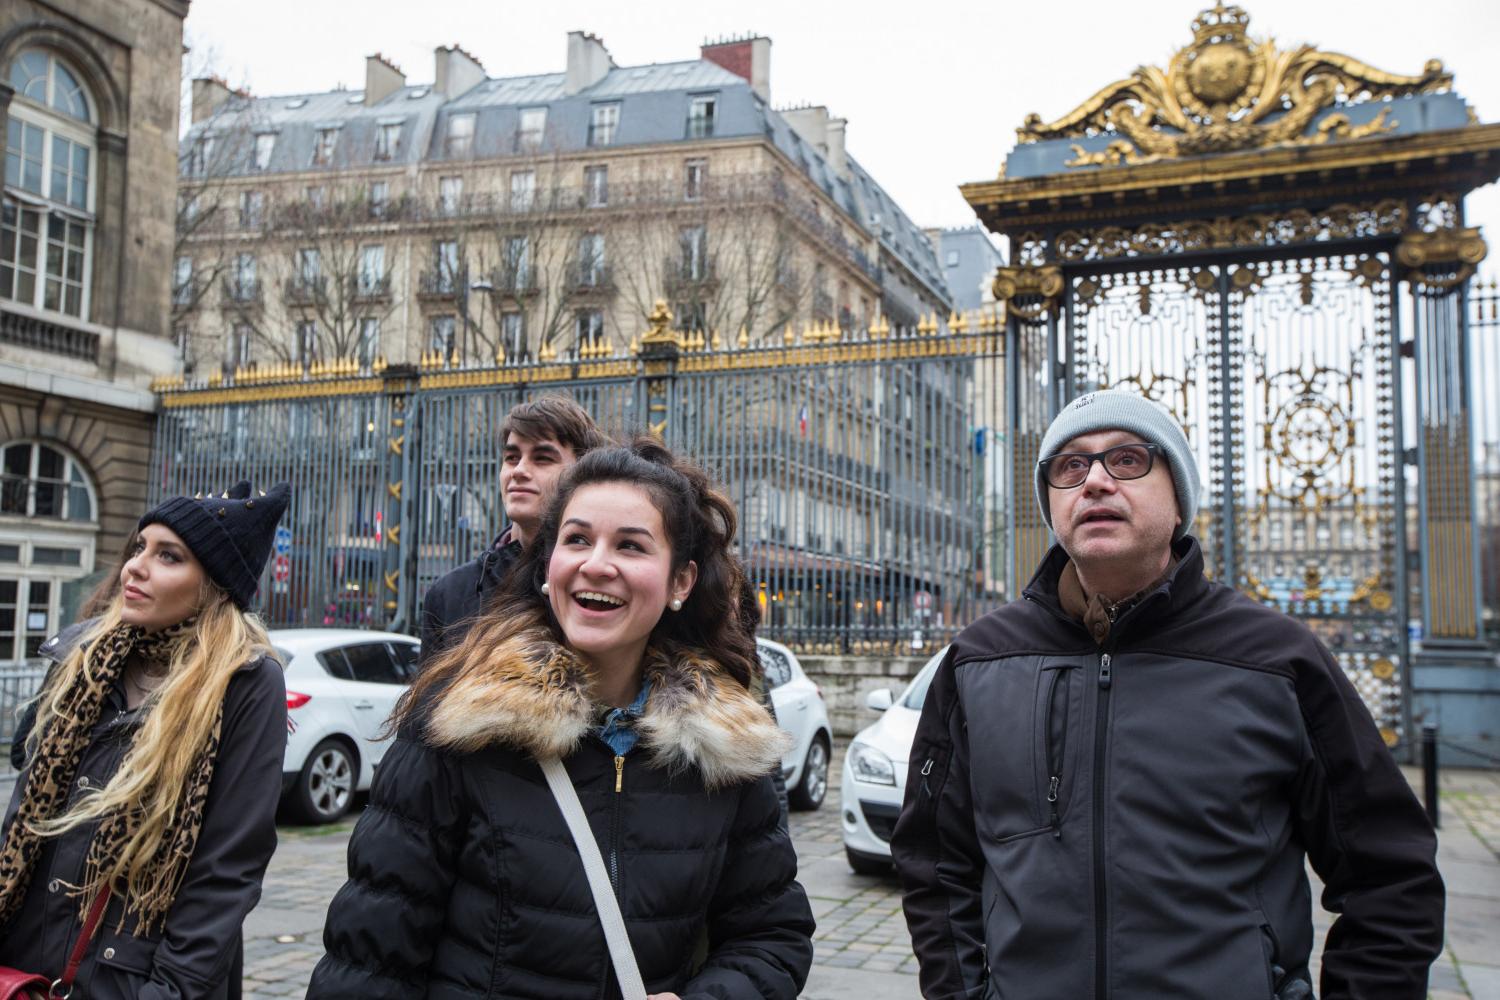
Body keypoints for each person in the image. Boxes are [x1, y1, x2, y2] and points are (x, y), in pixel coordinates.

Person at [892, 390, 1444, 1000]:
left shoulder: (1276, 660)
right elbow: (934, 862)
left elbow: (1390, 875)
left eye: (1126, 459)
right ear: (1051, 502)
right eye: (1070, 466)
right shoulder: (979, 659)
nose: (1095, 480)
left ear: (1178, 496)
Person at [308, 440, 814, 999]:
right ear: (549, 567)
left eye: (631, 545)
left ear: (680, 583)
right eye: (577, 540)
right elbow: (369, 961)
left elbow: (772, 934)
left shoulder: (724, 746)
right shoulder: (458, 721)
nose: (597, 564)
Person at [0, 481, 292, 999]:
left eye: (169, 556)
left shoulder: (244, 682)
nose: (136, 565)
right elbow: (21, 822)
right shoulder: (86, 657)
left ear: (215, 584)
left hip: (130, 978)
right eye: (140, 547)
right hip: (26, 966)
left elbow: (225, 874)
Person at [419, 394, 608, 666]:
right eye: (511, 457)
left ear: (582, 472)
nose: (519, 470)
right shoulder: (451, 592)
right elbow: (426, 705)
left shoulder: (599, 582)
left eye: (542, 458)